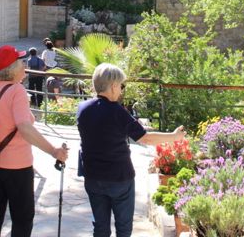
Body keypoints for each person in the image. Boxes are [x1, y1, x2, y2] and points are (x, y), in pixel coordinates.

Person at [77, 63, 186, 237]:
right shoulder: (117, 112)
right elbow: (146, 138)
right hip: (119, 178)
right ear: (113, 86)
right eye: (121, 85)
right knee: (124, 228)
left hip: (93, 177)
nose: (121, 90)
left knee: (100, 227)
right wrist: (173, 137)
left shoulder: (83, 109)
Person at [0, 45, 69, 237]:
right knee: (22, 219)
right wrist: (53, 151)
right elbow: (24, 127)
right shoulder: (16, 91)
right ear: (12, 68)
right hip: (15, 167)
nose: (24, 65)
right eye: (21, 62)